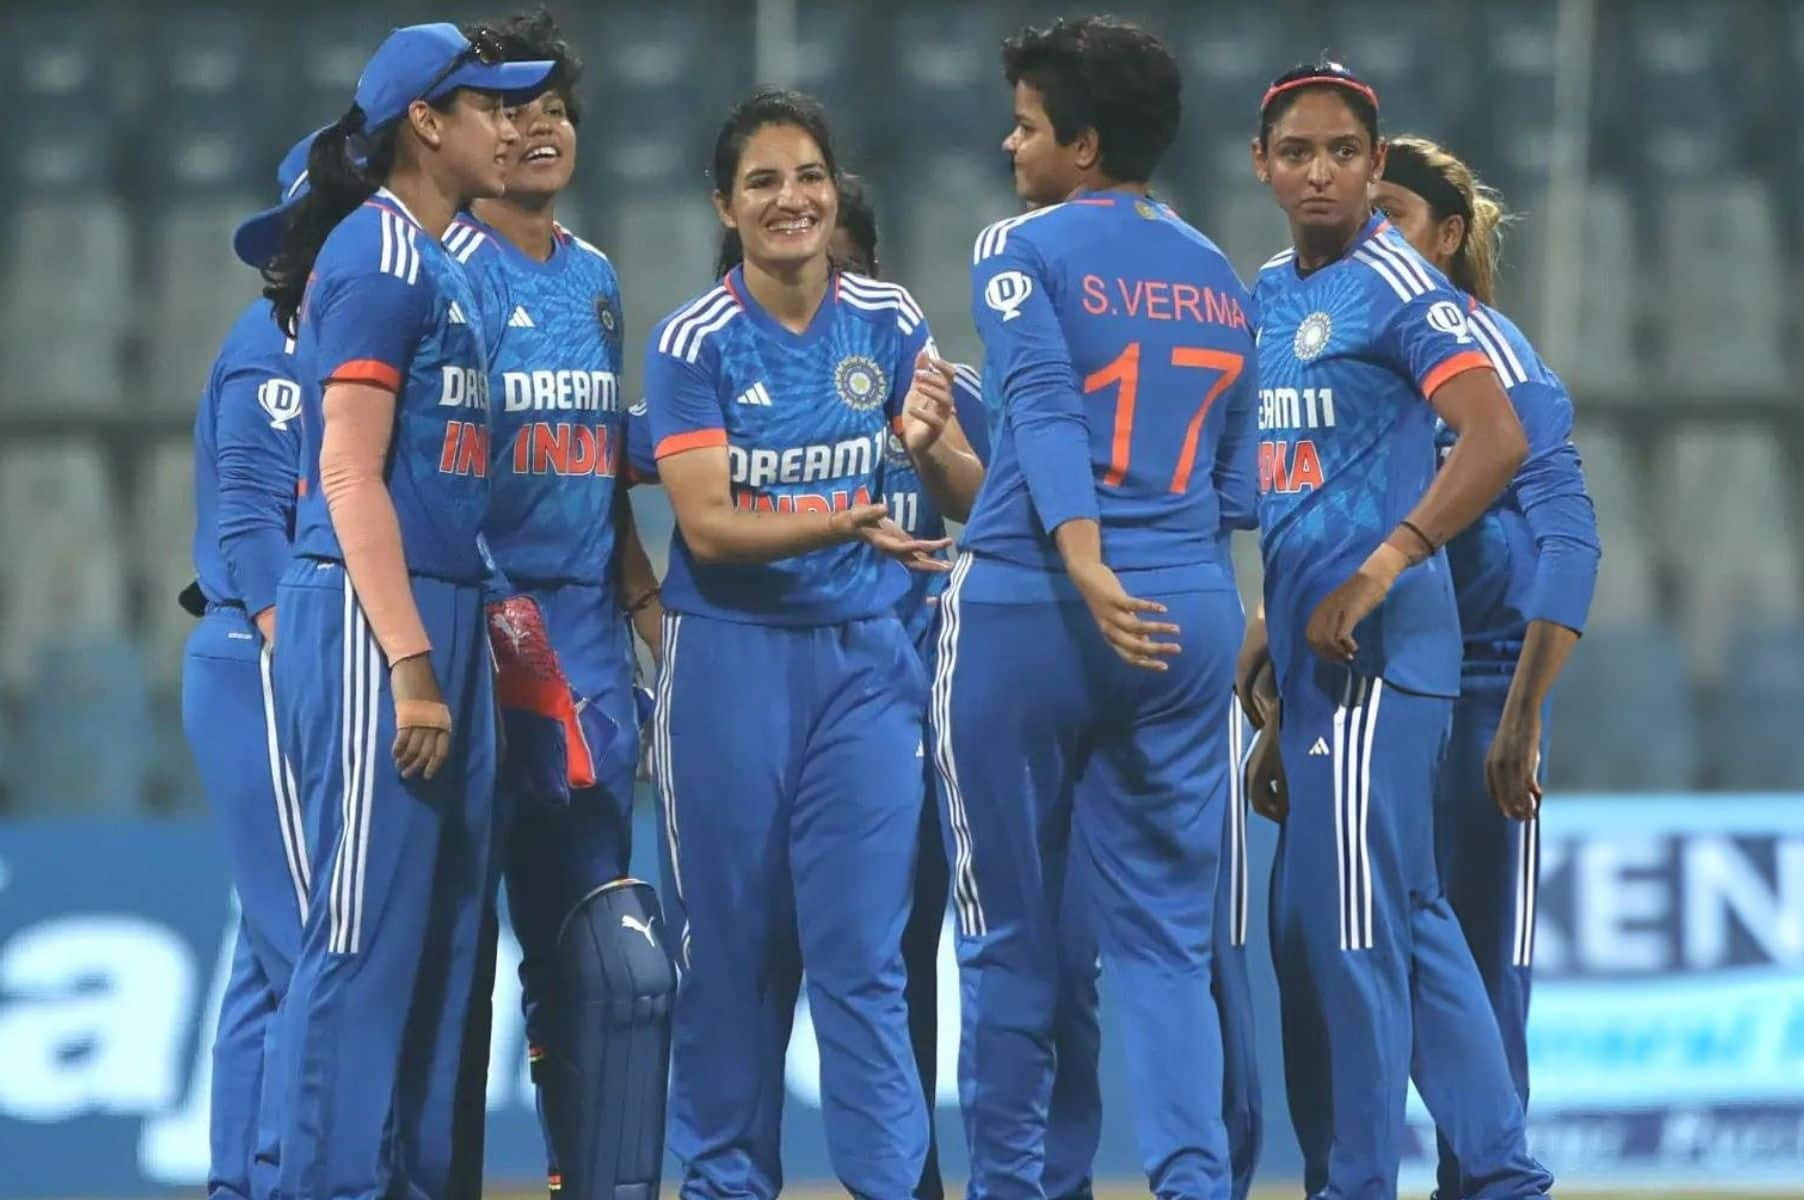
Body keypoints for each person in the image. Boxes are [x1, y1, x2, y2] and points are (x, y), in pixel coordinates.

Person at [934, 17, 1259, 1198]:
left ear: (1081, 142)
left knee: (1010, 937)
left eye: (1025, 125)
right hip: (1187, 615)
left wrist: (1082, 557)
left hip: (1036, 601)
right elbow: (1237, 481)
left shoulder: (1022, 246)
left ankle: (1016, 1189)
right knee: (1168, 947)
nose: (1009, 143)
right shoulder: (1225, 276)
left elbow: (1043, 401)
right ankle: (1194, 1184)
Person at [250, 24, 553, 1200]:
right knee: (363, 939)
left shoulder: (444, 258)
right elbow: (345, 474)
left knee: (442, 948)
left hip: (447, 608)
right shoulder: (378, 256)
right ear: (426, 123)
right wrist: (412, 664)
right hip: (384, 618)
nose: (514, 125)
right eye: (490, 105)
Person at [1242, 60, 1552, 1199]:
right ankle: (1502, 1167)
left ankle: (1361, 1182)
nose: (1318, 171)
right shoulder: (1270, 287)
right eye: (1295, 152)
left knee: (1361, 934)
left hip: (1384, 649)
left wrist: (1384, 566)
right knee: (1396, 916)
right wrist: (1264, 624)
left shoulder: (1401, 287)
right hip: (1313, 649)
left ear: (1378, 168)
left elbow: (1496, 439)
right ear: (1262, 165)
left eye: (1341, 152)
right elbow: (1290, 469)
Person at [641, 88, 947, 1198]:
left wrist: (926, 443)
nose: (792, 199)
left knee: (862, 965)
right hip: (729, 665)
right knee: (727, 965)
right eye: (763, 181)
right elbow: (712, 527)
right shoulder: (693, 344)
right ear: (725, 204)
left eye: (808, 175)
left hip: (865, 665)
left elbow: (946, 472)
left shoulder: (891, 314)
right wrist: (850, 513)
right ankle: (728, 1184)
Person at [447, 12, 675, 1198]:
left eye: (557, 109)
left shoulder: (594, 280)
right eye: (514, 110)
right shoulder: (447, 276)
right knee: (448, 965)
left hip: (585, 660)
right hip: (475, 653)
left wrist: (643, 605)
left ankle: (586, 1178)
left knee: (595, 962)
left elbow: (598, 469)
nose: (540, 130)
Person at [1373, 134, 1600, 1200]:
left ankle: (1485, 1182)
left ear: (1449, 238)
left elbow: (1569, 535)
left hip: (1476, 701)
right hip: (1374, 699)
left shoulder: (1489, 352)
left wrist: (1521, 712)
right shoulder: (1348, 352)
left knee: (1482, 976)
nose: (1371, 241)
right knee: (1364, 963)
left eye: (1396, 221)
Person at [180, 131, 317, 1200]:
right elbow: (251, 530)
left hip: (263, 657)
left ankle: (243, 1182)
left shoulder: (339, 329)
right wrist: (299, 652)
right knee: (310, 942)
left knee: (266, 955)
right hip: (258, 656)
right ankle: (286, 1179)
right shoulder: (273, 344)